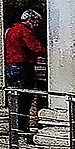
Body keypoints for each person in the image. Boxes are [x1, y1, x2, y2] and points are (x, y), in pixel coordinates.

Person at [4, 7, 47, 135]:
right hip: (23, 67)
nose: (37, 24)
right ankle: (22, 127)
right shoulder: (25, 31)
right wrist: (52, 53)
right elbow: (37, 48)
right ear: (29, 20)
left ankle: (15, 125)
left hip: (10, 67)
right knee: (25, 98)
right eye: (36, 21)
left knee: (15, 98)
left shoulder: (10, 30)